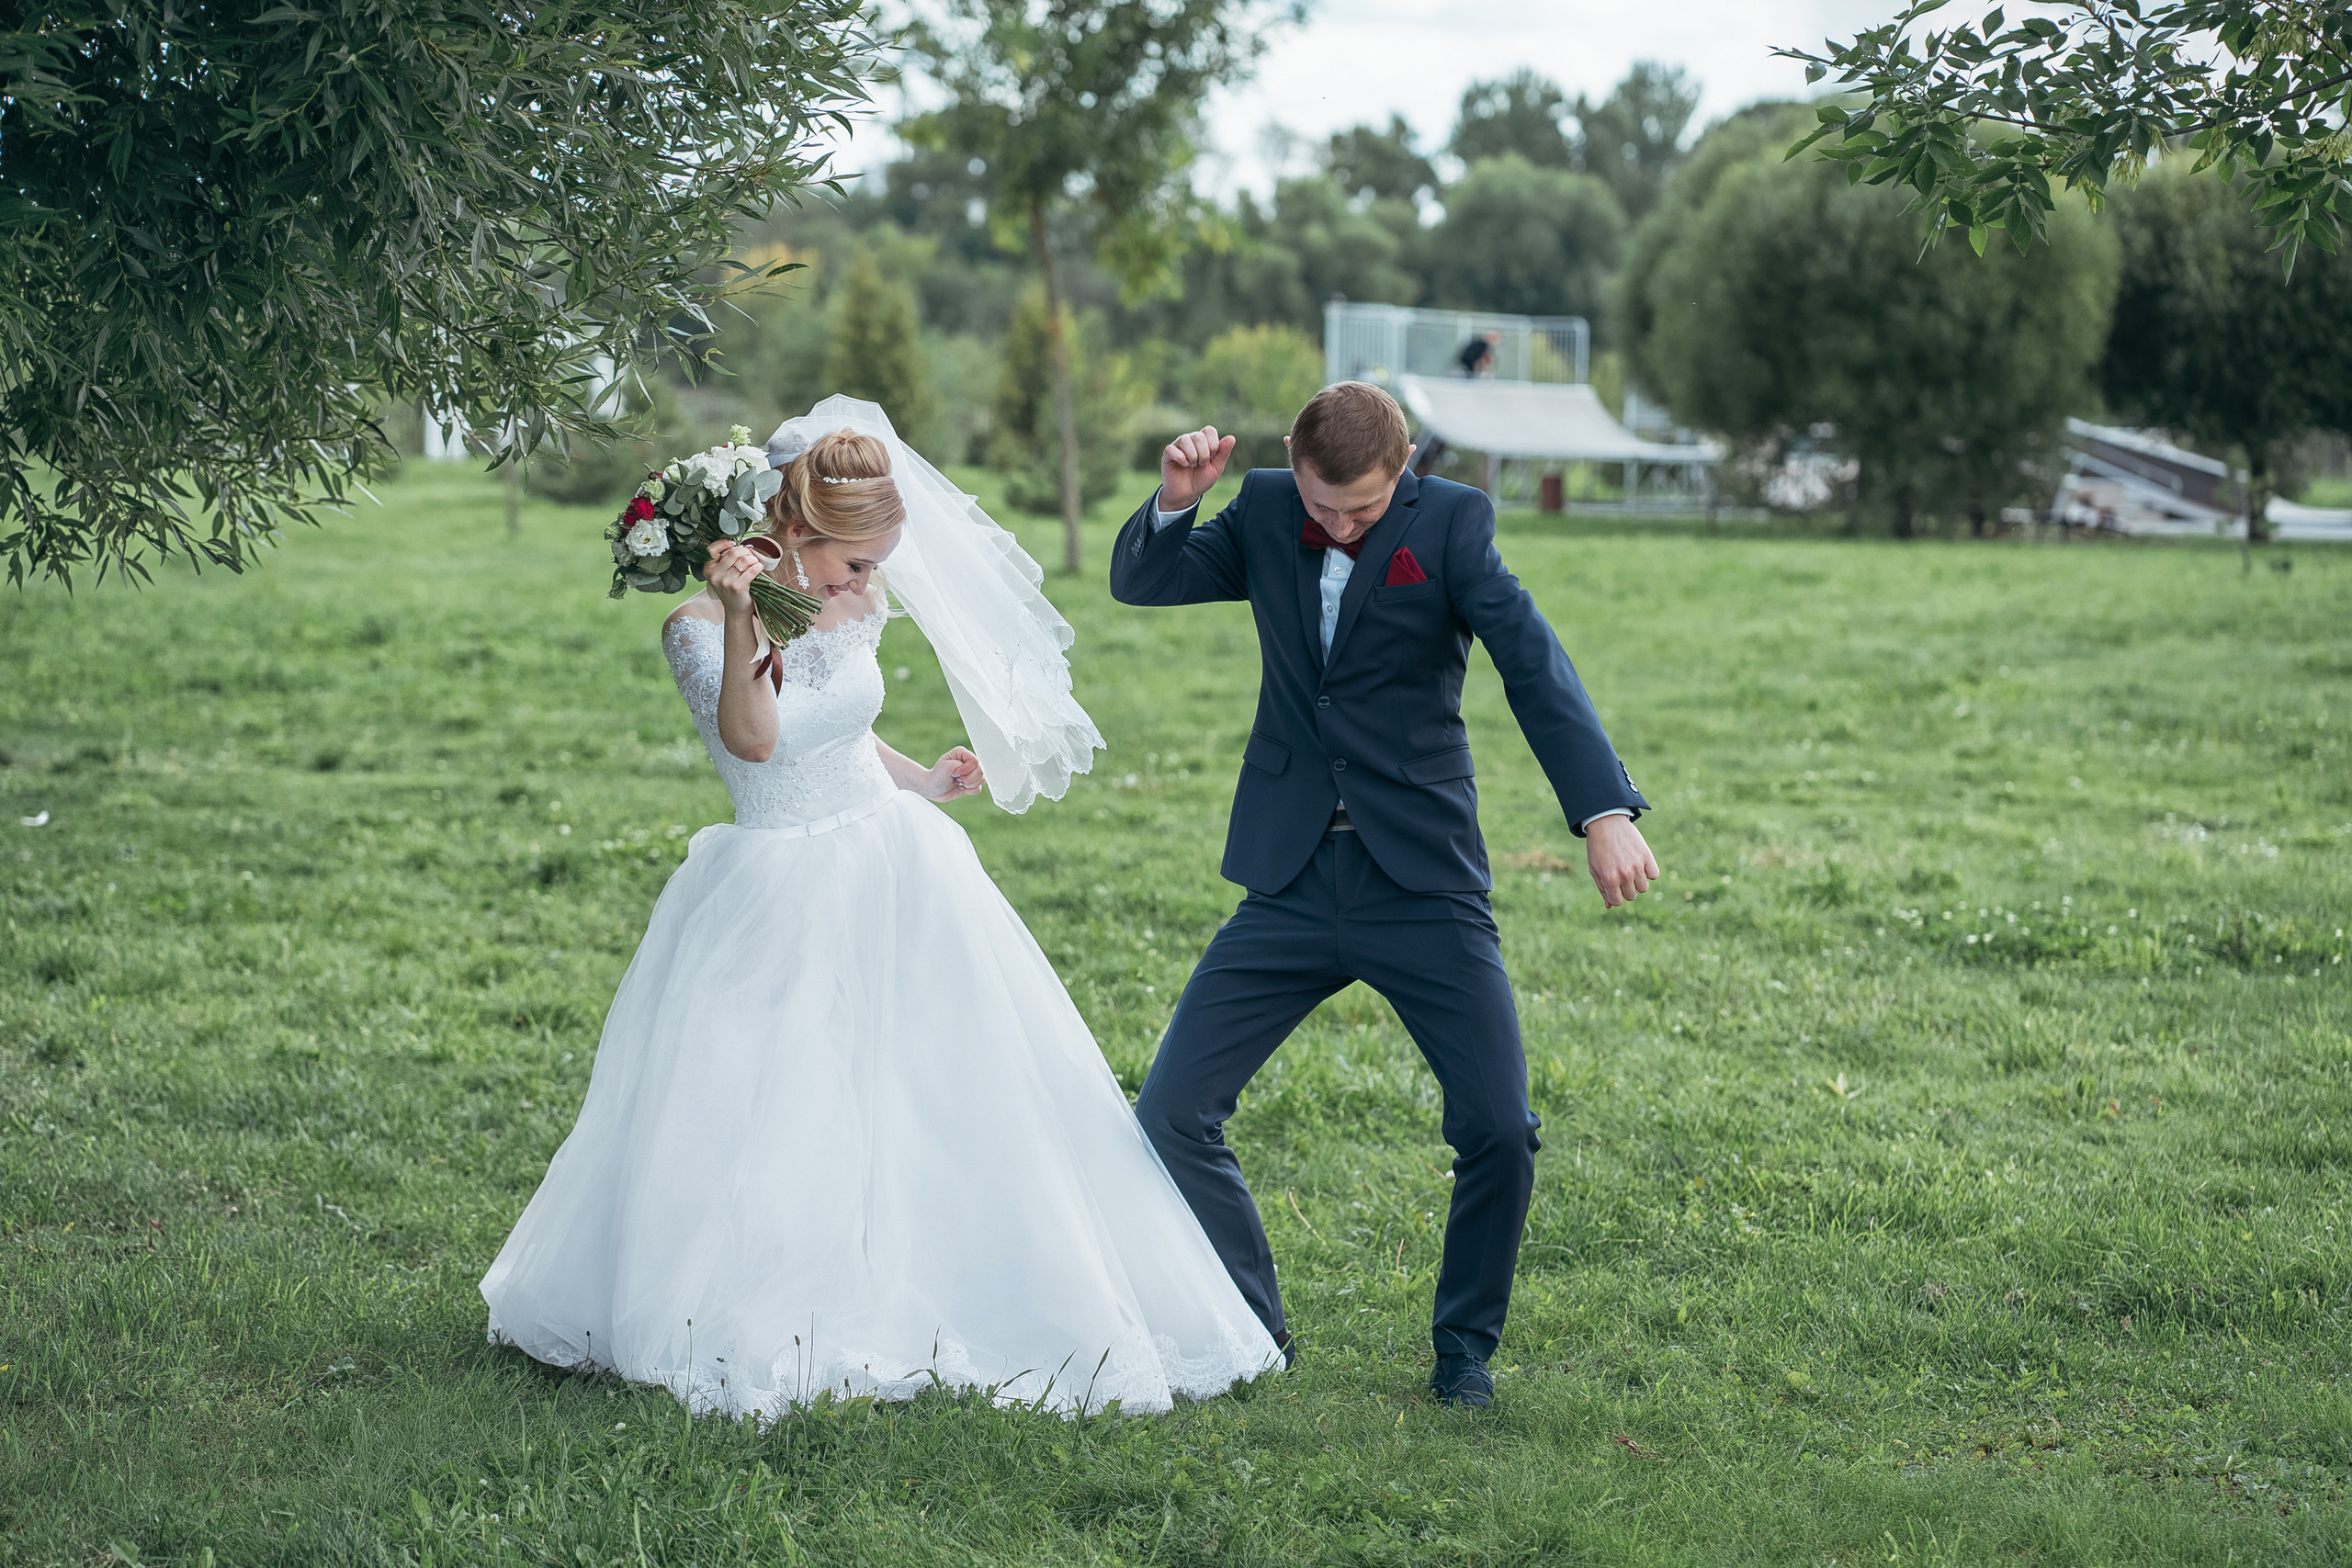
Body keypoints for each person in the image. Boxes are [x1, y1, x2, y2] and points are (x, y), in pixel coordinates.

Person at [481, 397, 1280, 1420]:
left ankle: (948, 1271)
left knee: (939, 1084)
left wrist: (920, 780)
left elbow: (847, 731)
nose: (867, 586)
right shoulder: (696, 627)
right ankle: (764, 1295)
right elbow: (760, 740)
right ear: (791, 535)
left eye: (876, 566)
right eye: (853, 565)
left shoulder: (855, 603)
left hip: (893, 858)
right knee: (777, 1092)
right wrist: (739, 616)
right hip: (775, 880)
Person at [1109, 382, 1658, 1409]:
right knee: (1171, 1111)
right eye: (1324, 507)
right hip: (1289, 874)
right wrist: (1177, 499)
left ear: (1403, 469)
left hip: (1421, 879)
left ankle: (1463, 1352)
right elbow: (1145, 583)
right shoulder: (1270, 509)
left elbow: (1531, 664)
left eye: (1361, 511)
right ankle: (1256, 1331)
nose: (1340, 526)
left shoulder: (1451, 523)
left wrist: (1603, 813)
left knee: (1498, 1125)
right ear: (1293, 465)